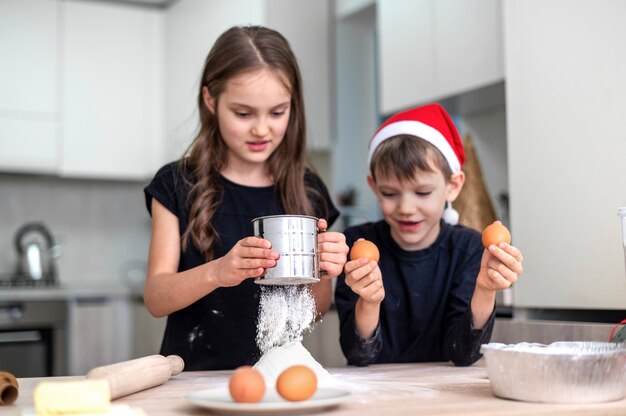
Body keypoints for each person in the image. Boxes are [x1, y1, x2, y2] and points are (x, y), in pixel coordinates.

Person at [143, 25, 348, 371]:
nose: (261, 129)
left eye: (277, 112)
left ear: (292, 105)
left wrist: (325, 271)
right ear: (211, 101)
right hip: (192, 377)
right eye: (243, 113)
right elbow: (156, 297)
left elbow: (319, 305)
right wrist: (219, 271)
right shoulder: (176, 184)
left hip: (277, 378)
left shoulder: (308, 190)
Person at [334, 103, 524, 366]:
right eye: (389, 193)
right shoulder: (356, 245)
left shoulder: (467, 248)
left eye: (422, 192)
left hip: (443, 397)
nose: (406, 208)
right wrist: (369, 301)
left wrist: (484, 290)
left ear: (452, 186)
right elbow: (358, 354)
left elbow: (463, 353)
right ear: (374, 187)